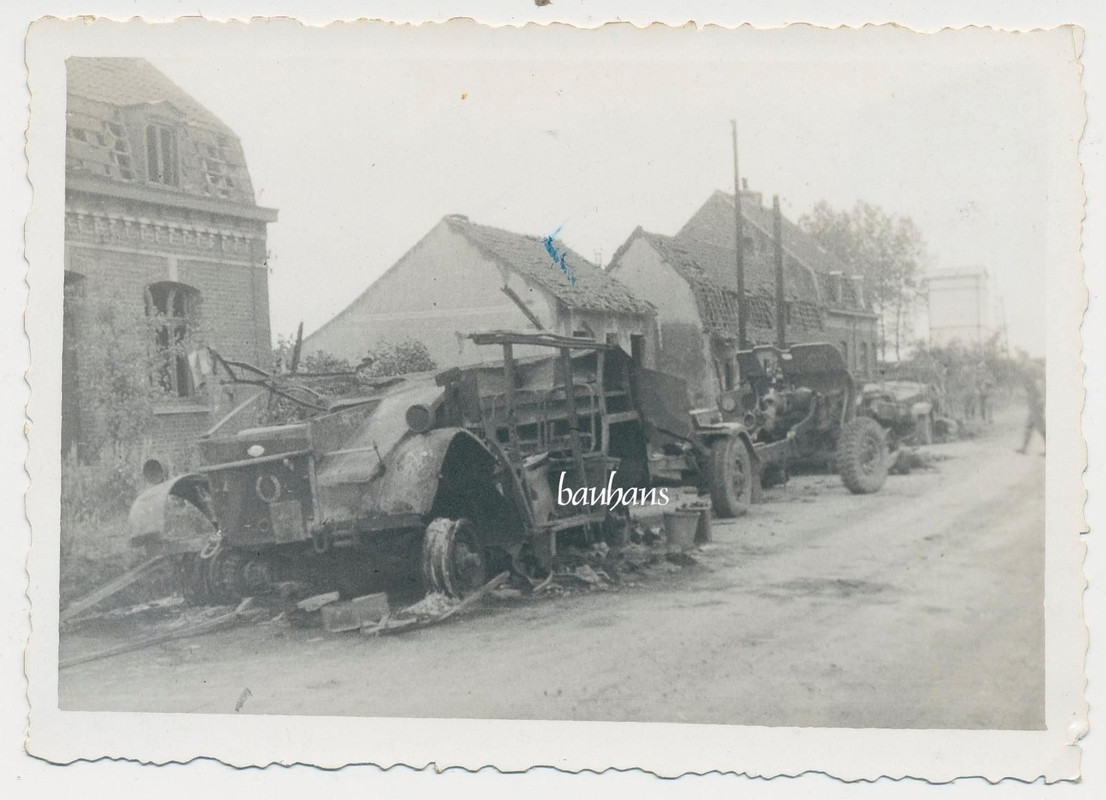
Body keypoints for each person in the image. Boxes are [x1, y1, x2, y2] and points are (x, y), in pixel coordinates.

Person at [1017, 362, 1046, 454]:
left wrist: (1041, 400)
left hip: (1036, 406)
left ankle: (1049, 448)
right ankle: (1024, 448)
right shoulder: (1034, 381)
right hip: (1034, 406)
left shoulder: (1038, 381)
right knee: (1029, 425)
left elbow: (1041, 392)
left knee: (1040, 426)